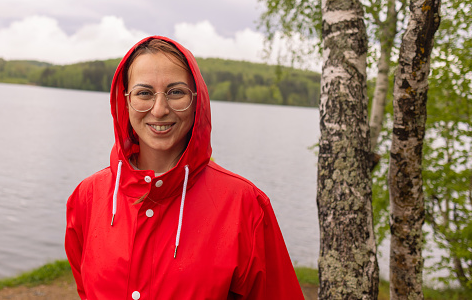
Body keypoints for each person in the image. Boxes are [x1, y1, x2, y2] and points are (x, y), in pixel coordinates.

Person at [65, 35, 305, 300]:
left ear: (197, 100)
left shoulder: (245, 205)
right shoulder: (88, 197)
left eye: (176, 92)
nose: (159, 110)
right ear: (125, 100)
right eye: (144, 93)